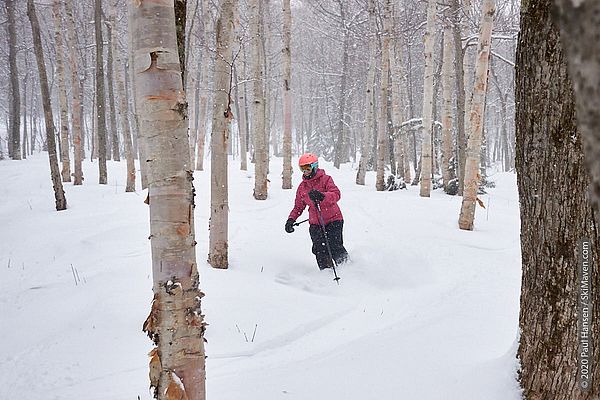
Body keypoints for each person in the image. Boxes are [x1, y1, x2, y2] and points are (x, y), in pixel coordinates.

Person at [285, 153, 348, 270]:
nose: (305, 172)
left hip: (333, 220)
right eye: (302, 169)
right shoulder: (302, 187)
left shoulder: (326, 179)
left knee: (334, 246)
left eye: (307, 168)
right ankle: (326, 272)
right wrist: (291, 220)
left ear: (315, 166)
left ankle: (347, 268)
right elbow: (298, 207)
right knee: (319, 249)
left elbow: (336, 194)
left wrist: (322, 196)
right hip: (315, 223)